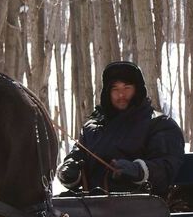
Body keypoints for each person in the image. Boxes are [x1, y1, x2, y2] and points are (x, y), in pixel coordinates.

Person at [57, 61, 185, 197]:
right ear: (108, 92)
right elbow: (77, 157)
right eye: (115, 89)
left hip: (142, 207)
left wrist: (138, 170)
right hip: (92, 208)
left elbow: (167, 167)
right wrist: (69, 171)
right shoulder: (92, 129)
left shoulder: (159, 125)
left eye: (127, 88)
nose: (121, 95)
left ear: (138, 90)